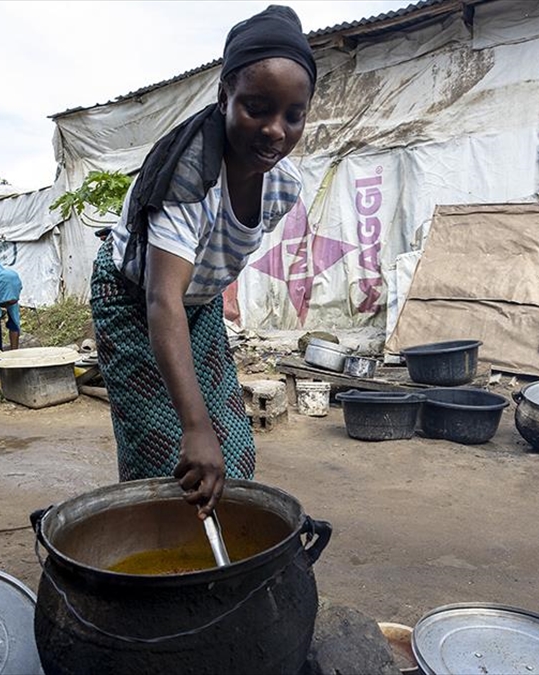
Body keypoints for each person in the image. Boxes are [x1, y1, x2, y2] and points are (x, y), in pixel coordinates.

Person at [90, 4, 315, 519]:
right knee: (168, 451)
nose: (275, 130)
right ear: (224, 97)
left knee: (232, 448)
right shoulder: (187, 179)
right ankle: (157, 573)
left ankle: (218, 568)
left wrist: (217, 293)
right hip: (133, 300)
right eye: (256, 107)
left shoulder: (282, 185)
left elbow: (223, 248)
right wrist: (194, 426)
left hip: (195, 304)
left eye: (292, 114)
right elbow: (160, 298)